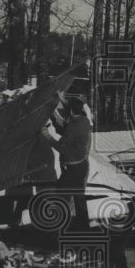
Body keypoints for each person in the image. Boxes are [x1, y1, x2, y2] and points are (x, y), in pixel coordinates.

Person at [41, 97, 92, 233]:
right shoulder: (84, 120)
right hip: (81, 166)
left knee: (61, 197)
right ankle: (84, 230)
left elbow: (62, 147)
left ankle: (58, 231)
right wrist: (61, 103)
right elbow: (65, 126)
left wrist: (47, 136)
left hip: (72, 169)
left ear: (70, 112)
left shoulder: (73, 126)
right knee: (79, 199)